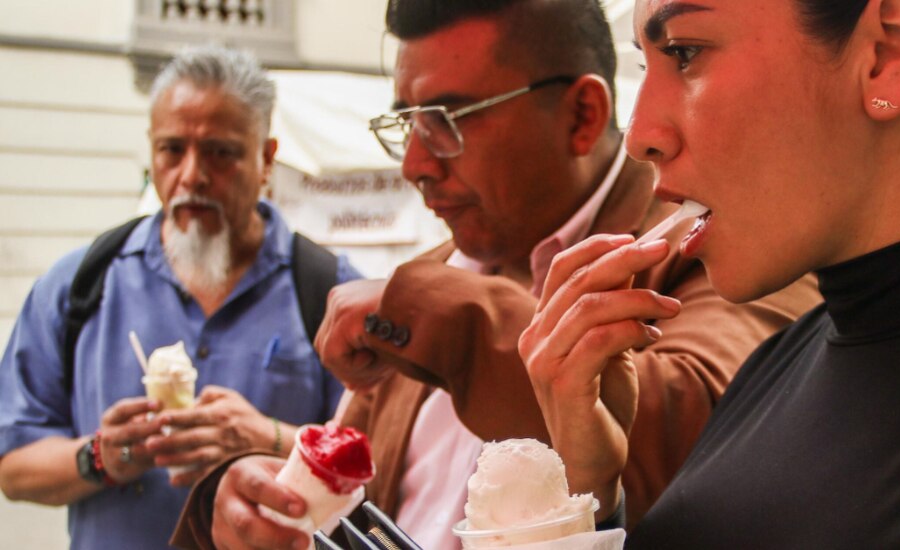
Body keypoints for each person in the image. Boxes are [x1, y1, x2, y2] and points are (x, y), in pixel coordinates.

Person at [171, 1, 821, 549]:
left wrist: (450, 319)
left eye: (448, 122)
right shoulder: (431, 278)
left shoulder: (717, 242)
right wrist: (248, 499)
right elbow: (349, 493)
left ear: (582, 117)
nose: (416, 164)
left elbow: (710, 434)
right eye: (409, 123)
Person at [521, 0, 900, 547]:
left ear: (889, 51)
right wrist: (588, 494)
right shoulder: (776, 366)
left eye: (685, 52)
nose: (641, 135)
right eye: (648, 66)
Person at [0, 45, 358, 549]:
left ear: (266, 159)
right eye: (172, 150)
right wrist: (105, 455)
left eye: (221, 152)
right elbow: (14, 467)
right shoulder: (78, 285)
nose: (191, 175)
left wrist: (269, 438)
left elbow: (382, 466)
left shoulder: (329, 291)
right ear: (151, 150)